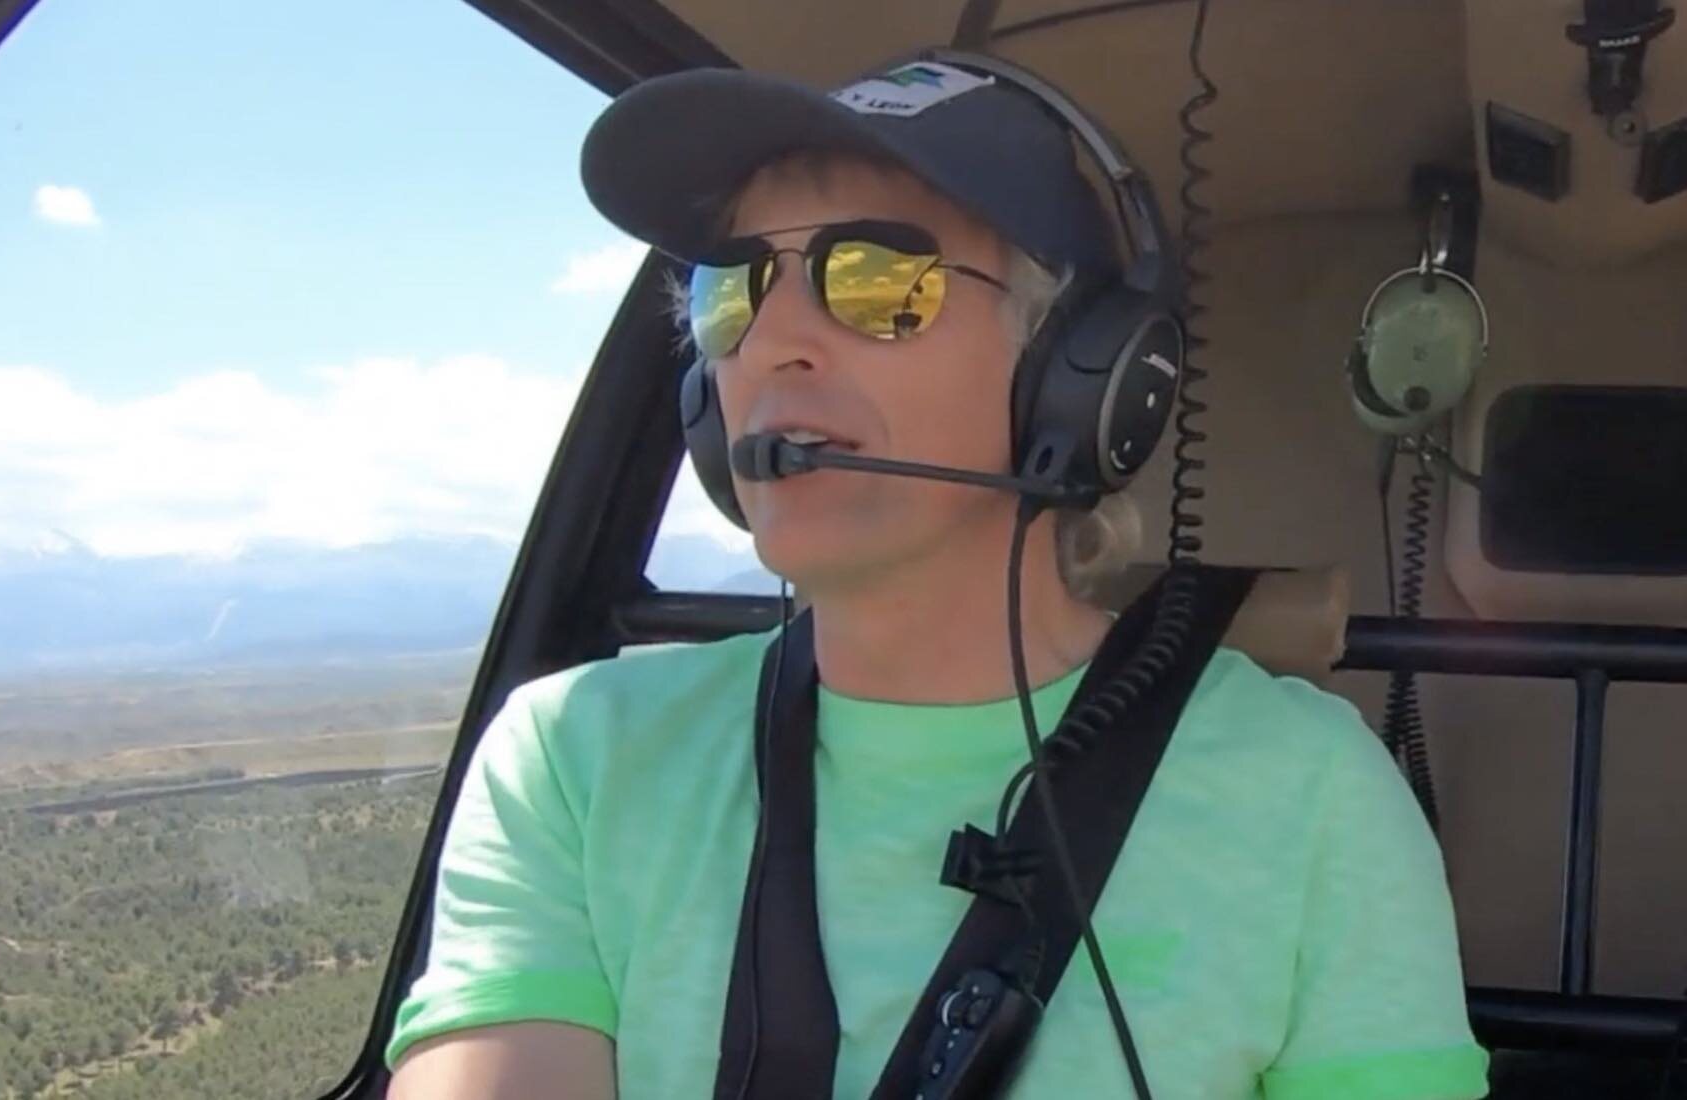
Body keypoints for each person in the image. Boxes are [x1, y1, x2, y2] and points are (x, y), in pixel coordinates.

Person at [385, 53, 1491, 1100]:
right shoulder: (575, 757)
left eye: (877, 281)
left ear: (1076, 373)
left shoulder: (1312, 796)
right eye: (733, 291)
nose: (771, 340)